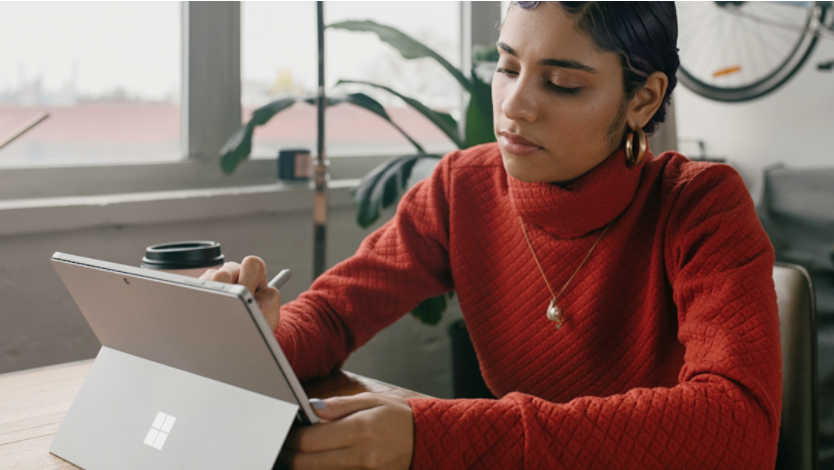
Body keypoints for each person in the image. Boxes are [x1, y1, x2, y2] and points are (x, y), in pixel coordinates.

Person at [202, 2, 782, 469]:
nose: (514, 106)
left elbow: (739, 422)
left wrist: (435, 438)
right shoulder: (463, 187)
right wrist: (253, 332)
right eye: (506, 68)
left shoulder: (702, 205)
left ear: (643, 99)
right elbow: (333, 313)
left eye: (560, 84)